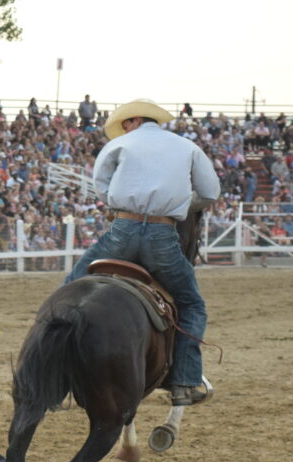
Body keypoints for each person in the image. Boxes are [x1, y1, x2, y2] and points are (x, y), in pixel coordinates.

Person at [63, 98, 220, 407]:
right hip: (162, 237)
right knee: (191, 304)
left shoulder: (119, 146)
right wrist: (177, 205)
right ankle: (185, 382)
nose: (123, 129)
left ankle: (59, 370)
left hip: (121, 232)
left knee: (70, 288)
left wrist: (123, 205)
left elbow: (102, 187)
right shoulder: (187, 147)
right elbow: (210, 193)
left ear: (135, 120)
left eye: (125, 124)